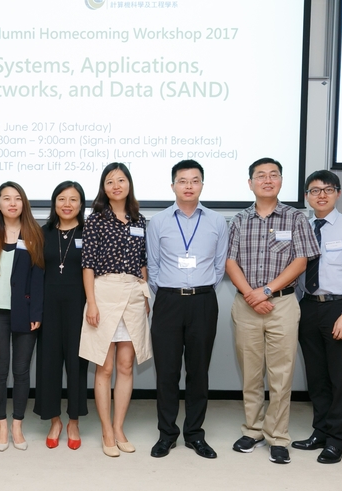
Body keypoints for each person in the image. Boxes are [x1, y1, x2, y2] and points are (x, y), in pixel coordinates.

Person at [225, 157, 320, 464]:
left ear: (281, 181)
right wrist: (250, 296)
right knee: (251, 374)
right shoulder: (239, 220)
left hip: (282, 304)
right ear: (250, 183)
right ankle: (252, 430)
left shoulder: (296, 218)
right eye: (260, 176)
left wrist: (265, 291)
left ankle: (277, 436)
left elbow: (301, 260)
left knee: (281, 375)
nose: (267, 180)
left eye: (273, 175)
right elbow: (230, 262)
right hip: (246, 305)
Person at [146, 160, 228, 459]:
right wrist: (170, 291)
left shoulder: (218, 222)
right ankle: (167, 434)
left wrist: (199, 289)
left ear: (202, 185)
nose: (189, 186)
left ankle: (194, 434)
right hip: (168, 301)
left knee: (198, 371)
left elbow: (220, 266)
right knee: (166, 372)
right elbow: (152, 266)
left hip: (203, 301)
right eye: (183, 181)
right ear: (173, 186)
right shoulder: (158, 222)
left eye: (195, 180)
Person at [291, 170, 342, 464]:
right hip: (307, 306)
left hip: (339, 308)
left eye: (327, 189)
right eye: (314, 190)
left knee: (339, 378)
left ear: (337, 193)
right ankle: (320, 432)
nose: (320, 195)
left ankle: (338, 440)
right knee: (317, 377)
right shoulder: (303, 226)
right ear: (307, 197)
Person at [79, 162, 152, 458]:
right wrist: (92, 303)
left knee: (125, 365)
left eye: (121, 180)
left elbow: (143, 261)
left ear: (129, 184)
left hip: (134, 295)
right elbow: (88, 265)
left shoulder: (140, 219)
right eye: (110, 181)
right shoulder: (95, 220)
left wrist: (146, 296)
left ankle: (119, 427)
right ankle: (106, 430)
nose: (116, 185)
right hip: (104, 294)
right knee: (104, 366)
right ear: (104, 187)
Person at [0, 181, 44, 451]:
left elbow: (40, 277)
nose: (12, 203)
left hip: (25, 314)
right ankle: (1, 425)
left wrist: (37, 312)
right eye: (6, 198)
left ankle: (17, 424)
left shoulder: (34, 234)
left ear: (24, 203)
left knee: (21, 372)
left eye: (17, 198)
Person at [34, 181, 88, 450]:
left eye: (73, 199)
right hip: (49, 309)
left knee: (78, 365)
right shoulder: (41, 233)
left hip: (80, 307)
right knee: (49, 364)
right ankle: (54, 419)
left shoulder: (89, 232)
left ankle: (74, 421)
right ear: (54, 202)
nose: (67, 204)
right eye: (62, 199)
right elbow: (34, 274)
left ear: (81, 204)